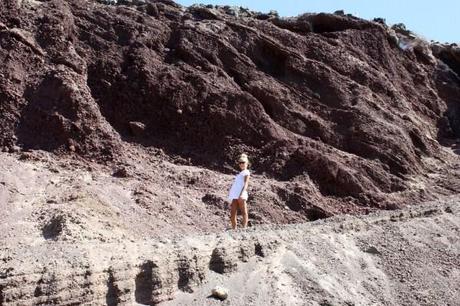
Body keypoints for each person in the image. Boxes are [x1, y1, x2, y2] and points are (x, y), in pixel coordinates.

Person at [227, 153, 251, 229]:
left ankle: (244, 227)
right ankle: (234, 228)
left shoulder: (246, 172)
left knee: (243, 211)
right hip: (235, 195)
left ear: (247, 163)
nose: (241, 164)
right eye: (240, 163)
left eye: (243, 162)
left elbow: (246, 183)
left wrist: (242, 193)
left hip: (241, 194)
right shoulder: (240, 173)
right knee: (233, 212)